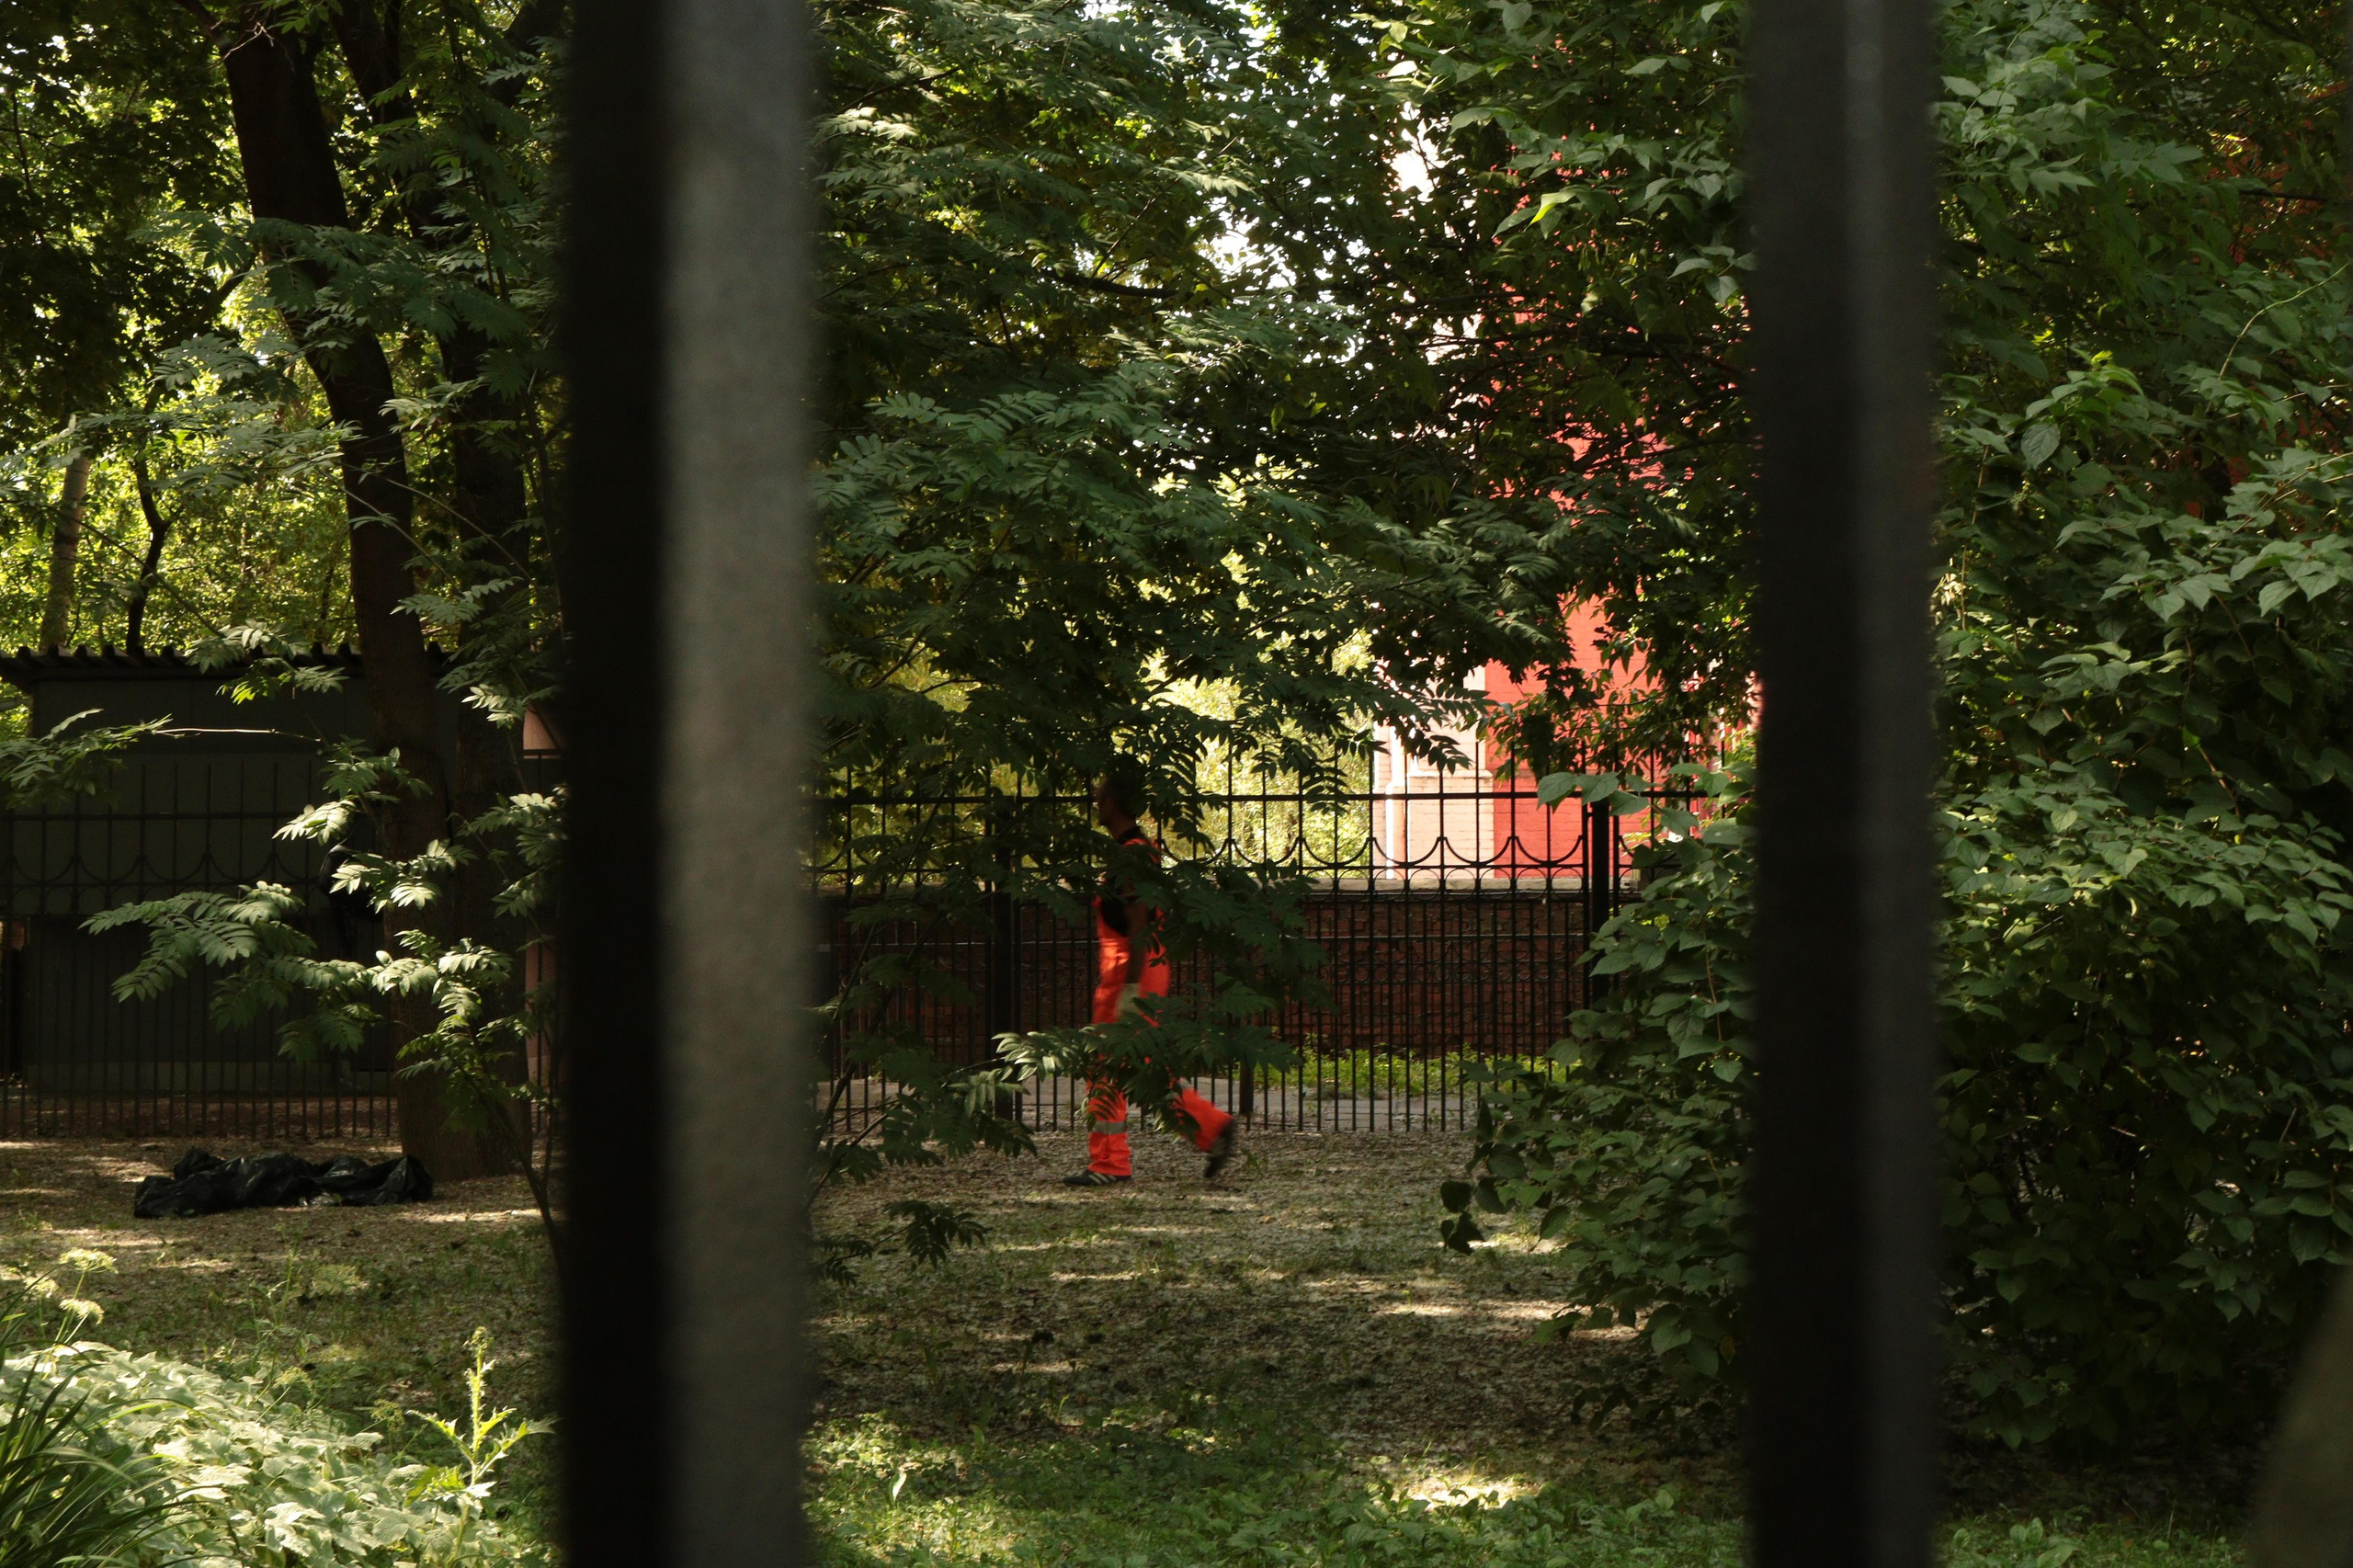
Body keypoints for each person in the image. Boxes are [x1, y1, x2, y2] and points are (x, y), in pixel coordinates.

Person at [1063, 768, 1239, 1187]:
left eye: (1100, 795)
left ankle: (1110, 1163)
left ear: (1111, 804)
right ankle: (1212, 1128)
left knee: (1106, 1068)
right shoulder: (1138, 851)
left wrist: (1129, 989)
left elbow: (1138, 925)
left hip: (1131, 970)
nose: (1096, 802)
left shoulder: (1132, 856)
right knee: (1143, 1066)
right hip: (1136, 968)